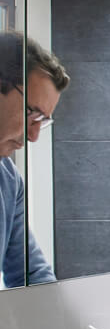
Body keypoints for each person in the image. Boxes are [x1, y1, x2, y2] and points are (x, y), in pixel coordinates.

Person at [0, 32, 69, 288]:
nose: (33, 136)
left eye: (43, 122)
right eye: (33, 114)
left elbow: (31, 276)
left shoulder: (8, 181)